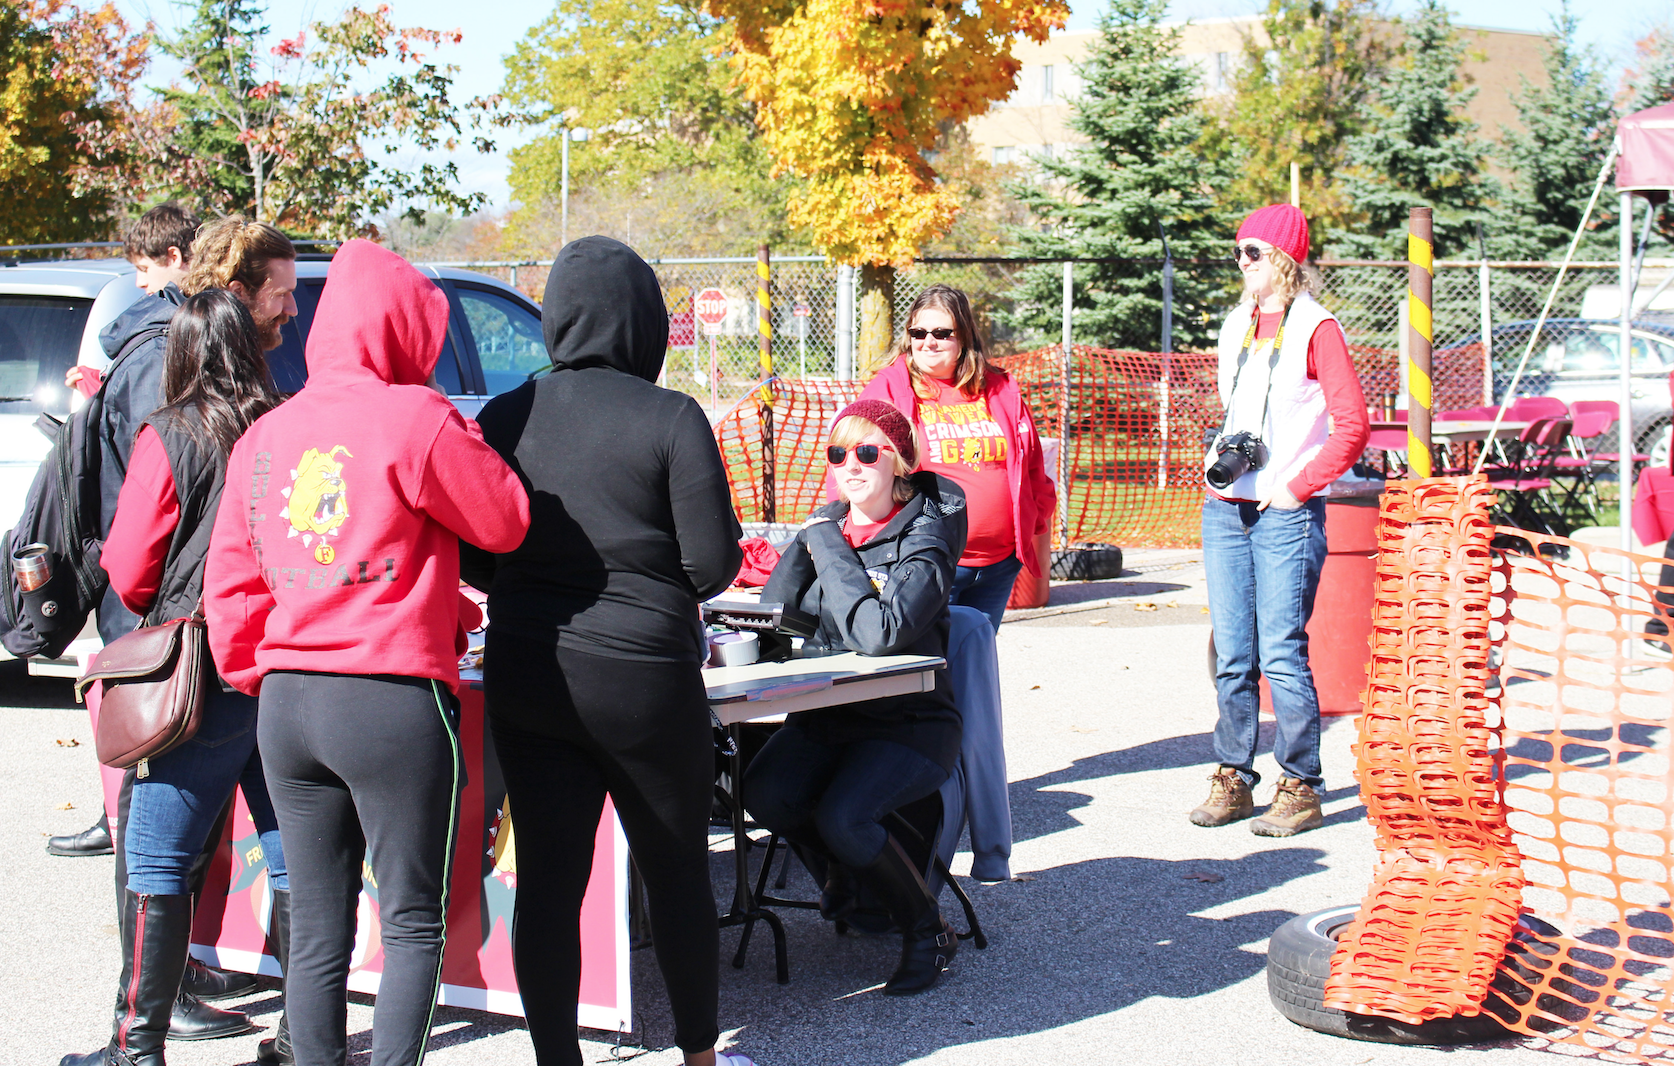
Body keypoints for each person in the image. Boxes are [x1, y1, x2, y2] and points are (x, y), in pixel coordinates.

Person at [203, 239, 530, 1066]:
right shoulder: (416, 418)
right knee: (413, 920)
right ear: (407, 330)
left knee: (317, 923)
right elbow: (505, 520)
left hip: (287, 701)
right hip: (388, 698)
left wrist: (259, 669)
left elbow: (232, 583)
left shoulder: (267, 433)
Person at [461, 236, 752, 1066]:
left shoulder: (503, 417)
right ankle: (700, 1054)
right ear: (644, 322)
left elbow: (476, 550)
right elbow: (710, 564)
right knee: (676, 873)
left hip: (530, 671)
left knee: (549, 882)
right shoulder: (670, 417)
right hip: (645, 682)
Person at [60, 291, 291, 1066]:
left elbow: (128, 567)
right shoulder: (285, 425)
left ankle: (137, 1049)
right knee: (296, 855)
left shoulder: (175, 431)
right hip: (287, 663)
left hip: (202, 668)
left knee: (156, 859)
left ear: (184, 353)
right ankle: (302, 1039)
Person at [744, 398, 969, 996]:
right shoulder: (827, 525)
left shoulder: (927, 536)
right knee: (763, 790)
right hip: (830, 715)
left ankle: (927, 930)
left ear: (899, 461)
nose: (852, 465)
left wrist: (832, 549)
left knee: (844, 815)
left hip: (911, 723)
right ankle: (847, 877)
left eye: (868, 452)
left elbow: (880, 634)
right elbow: (776, 613)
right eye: (838, 453)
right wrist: (810, 544)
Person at [1191, 204, 1368, 837]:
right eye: (1238, 251)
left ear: (1285, 260)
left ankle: (1300, 784)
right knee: (1233, 655)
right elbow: (1235, 407)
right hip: (1226, 507)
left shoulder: (1318, 327)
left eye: (1254, 253)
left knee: (1283, 654)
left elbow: (1352, 427)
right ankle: (1234, 776)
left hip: (1286, 514)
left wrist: (1296, 487)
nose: (1242, 263)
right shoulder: (1237, 323)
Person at [49, 202, 204, 860]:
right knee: (140, 699)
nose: (137, 283)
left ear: (176, 259)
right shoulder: (157, 348)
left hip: (143, 559)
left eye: (143, 269)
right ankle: (125, 817)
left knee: (147, 699)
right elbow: (157, 458)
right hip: (143, 559)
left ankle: (129, 819)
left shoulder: (161, 342)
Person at [848, 284, 1054, 631]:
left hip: (998, 566)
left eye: (942, 333)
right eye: (918, 332)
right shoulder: (888, 390)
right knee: (929, 673)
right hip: (925, 565)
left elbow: (1030, 464)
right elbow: (850, 469)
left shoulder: (1001, 389)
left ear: (964, 337)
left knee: (973, 660)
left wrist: (1036, 518)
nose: (928, 342)